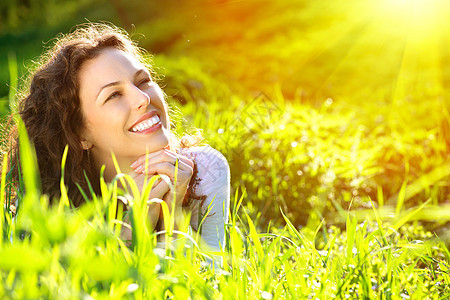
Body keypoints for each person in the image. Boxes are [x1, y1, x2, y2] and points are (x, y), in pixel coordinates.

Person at [4, 23, 230, 251]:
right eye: (113, 95)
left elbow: (210, 280)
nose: (142, 98)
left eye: (142, 81)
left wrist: (174, 217)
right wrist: (132, 231)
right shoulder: (53, 211)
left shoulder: (203, 170)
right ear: (79, 133)